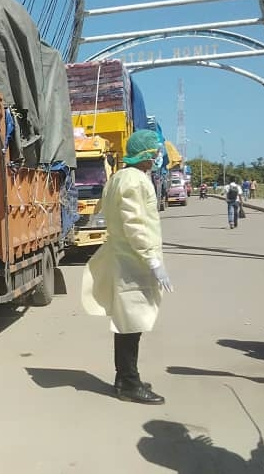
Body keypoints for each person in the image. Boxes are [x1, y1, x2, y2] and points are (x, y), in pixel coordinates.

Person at [82, 129, 174, 405]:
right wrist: (153, 260)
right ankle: (129, 383)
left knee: (128, 323)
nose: (158, 157)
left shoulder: (120, 177)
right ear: (146, 154)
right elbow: (135, 225)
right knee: (130, 324)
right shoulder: (134, 181)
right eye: (156, 152)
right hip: (132, 262)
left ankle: (125, 378)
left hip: (127, 259)